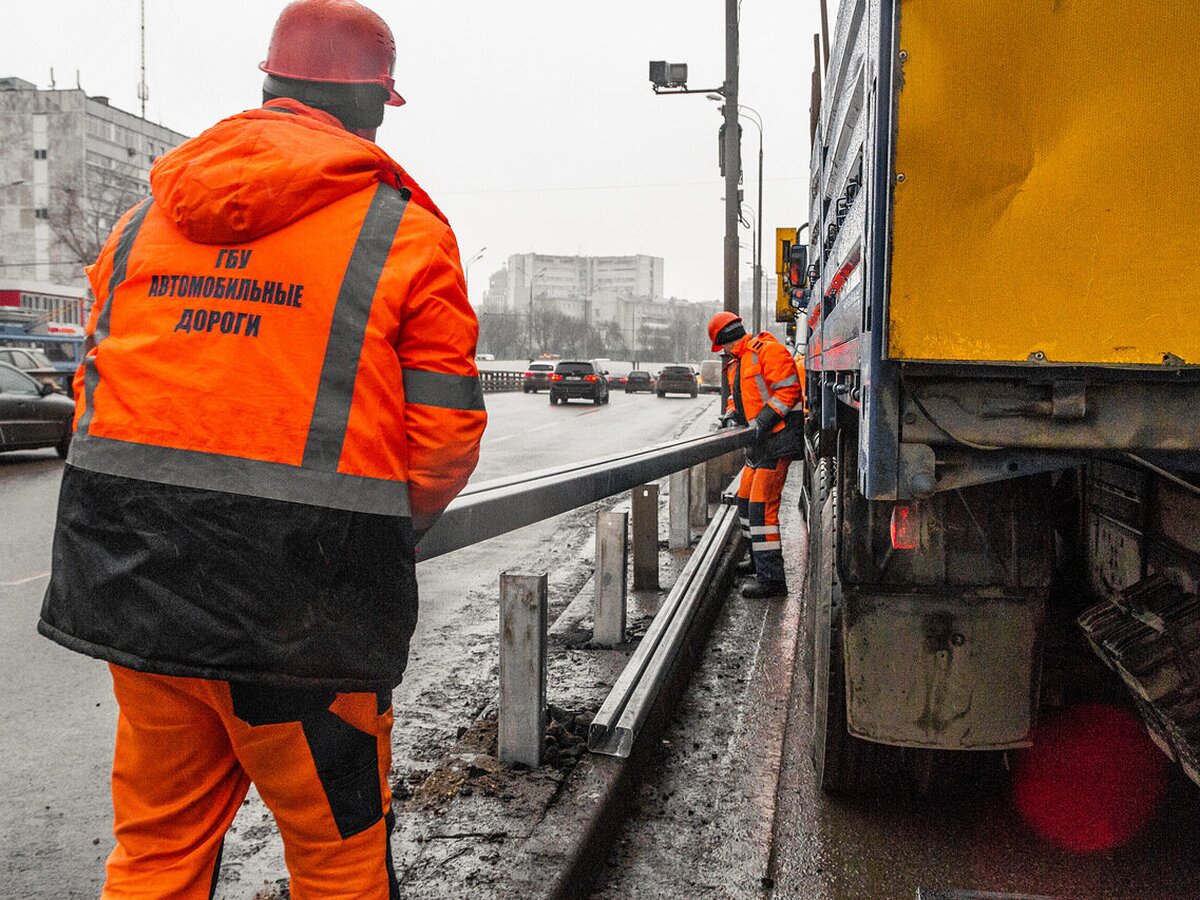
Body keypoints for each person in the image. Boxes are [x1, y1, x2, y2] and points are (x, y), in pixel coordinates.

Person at [37, 1, 486, 896]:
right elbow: (442, 442)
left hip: (140, 594)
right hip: (304, 621)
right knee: (337, 855)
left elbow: (96, 399)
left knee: (156, 852)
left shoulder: (138, 228)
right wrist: (372, 540)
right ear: (365, 106)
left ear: (274, 87)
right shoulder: (403, 234)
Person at [709, 311, 803, 600]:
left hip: (777, 441)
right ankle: (757, 561)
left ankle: (772, 580)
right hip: (759, 445)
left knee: (763, 510)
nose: (722, 351)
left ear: (725, 338)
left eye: (721, 345)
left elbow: (788, 391)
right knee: (746, 500)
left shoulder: (766, 350)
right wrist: (731, 416)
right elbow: (737, 398)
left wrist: (762, 422)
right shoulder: (736, 364)